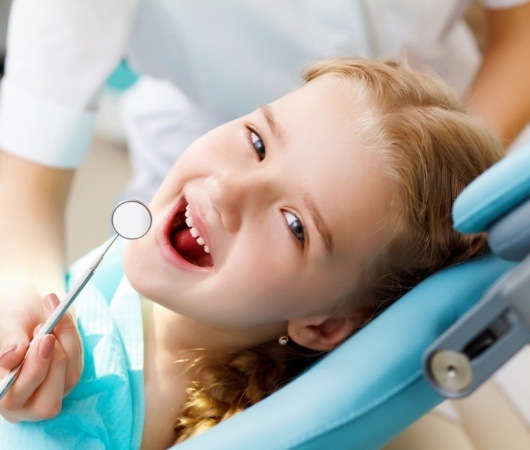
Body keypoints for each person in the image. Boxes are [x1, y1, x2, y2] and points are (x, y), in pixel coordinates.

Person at [0, 2, 529, 406]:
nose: (229, 191)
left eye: (296, 225)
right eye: (256, 141)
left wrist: (440, 209)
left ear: (325, 326)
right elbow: (27, 167)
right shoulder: (117, 280)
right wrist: (24, 304)